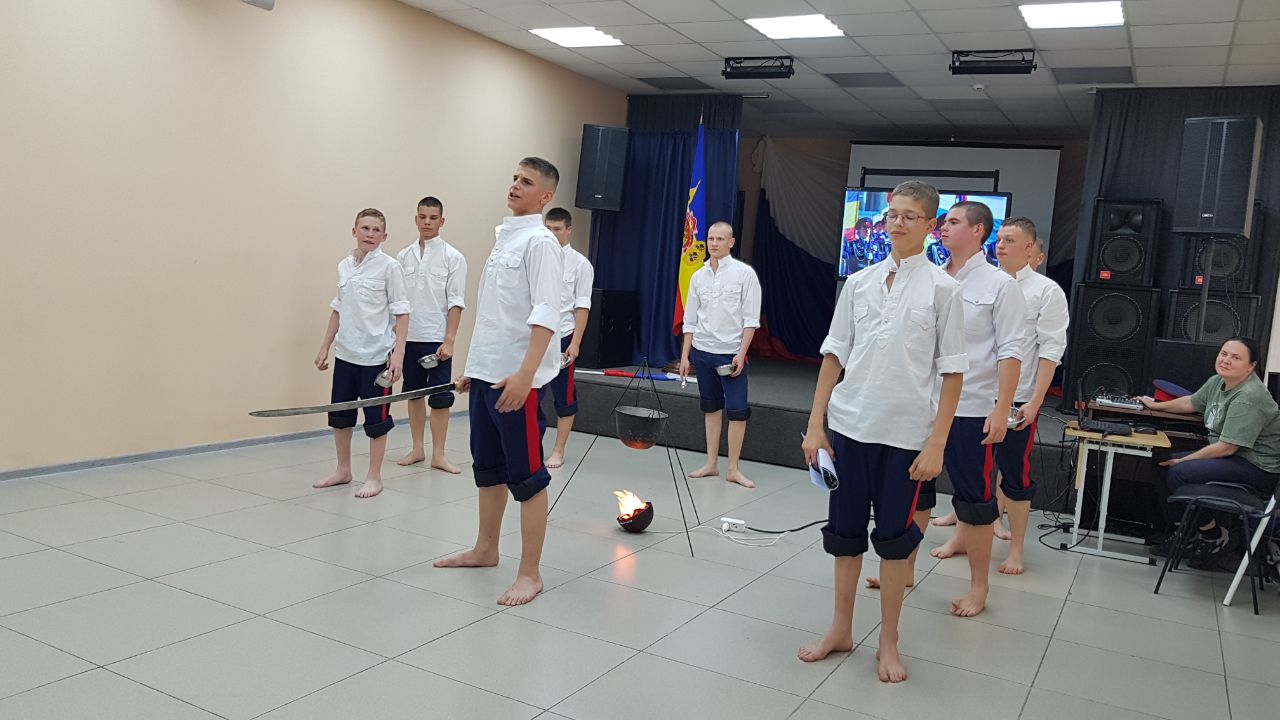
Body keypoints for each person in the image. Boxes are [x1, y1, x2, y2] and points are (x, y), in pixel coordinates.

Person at [798, 181, 967, 683]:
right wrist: (815, 425)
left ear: (930, 226)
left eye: (910, 216)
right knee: (844, 536)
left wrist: (937, 442)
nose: (897, 223)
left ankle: (889, 639)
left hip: (906, 437)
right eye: (893, 214)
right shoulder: (859, 282)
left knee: (894, 542)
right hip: (850, 427)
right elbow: (834, 355)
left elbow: (953, 372)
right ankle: (840, 629)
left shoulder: (943, 290)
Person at [433, 158, 564, 606]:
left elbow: (546, 313)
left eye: (526, 182)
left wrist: (526, 376)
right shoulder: (504, 239)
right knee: (487, 469)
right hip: (487, 377)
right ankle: (485, 549)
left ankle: (530, 573)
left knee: (527, 477)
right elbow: (494, 315)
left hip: (516, 383)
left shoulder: (541, 244)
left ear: (545, 197)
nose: (515, 186)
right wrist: (474, 366)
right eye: (514, 178)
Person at [908, 201, 1025, 618]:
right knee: (915, 490)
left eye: (954, 222)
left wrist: (1001, 408)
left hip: (972, 407)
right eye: (943, 222)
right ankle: (904, 569)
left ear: (978, 231)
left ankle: (979, 587)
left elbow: (1011, 351)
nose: (943, 228)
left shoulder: (1000, 285)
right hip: (924, 404)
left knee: (975, 500)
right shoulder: (932, 278)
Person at [1142, 337, 1280, 561]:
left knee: (1178, 473)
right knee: (1161, 464)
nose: (1226, 360)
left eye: (1236, 357)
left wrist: (1183, 461)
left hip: (1258, 468)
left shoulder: (1248, 397)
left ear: (1251, 366)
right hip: (1234, 458)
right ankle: (1186, 532)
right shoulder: (1218, 381)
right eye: (1223, 354)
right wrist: (1155, 405)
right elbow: (1191, 402)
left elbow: (1227, 448)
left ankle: (1213, 535)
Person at [313, 208, 410, 498]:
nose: (370, 234)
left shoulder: (390, 267)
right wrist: (325, 346)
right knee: (340, 416)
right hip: (346, 354)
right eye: (365, 228)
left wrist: (398, 355)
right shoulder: (344, 266)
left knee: (376, 421)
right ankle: (343, 470)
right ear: (354, 231)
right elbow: (338, 309)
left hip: (376, 358)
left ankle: (374, 477)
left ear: (384, 236)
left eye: (376, 230)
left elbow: (402, 313)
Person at [678, 221, 762, 489]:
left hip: (730, 353)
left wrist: (741, 352)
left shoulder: (744, 274)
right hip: (703, 351)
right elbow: (690, 320)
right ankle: (711, 463)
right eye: (711, 238)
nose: (714, 243)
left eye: (720, 239)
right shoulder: (698, 276)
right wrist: (685, 356)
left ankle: (733, 468)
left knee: (737, 411)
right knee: (711, 408)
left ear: (731, 242)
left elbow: (751, 320)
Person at [395, 196, 467, 474]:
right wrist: (396, 341)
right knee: (413, 395)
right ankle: (417, 448)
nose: (427, 222)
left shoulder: (453, 257)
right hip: (409, 337)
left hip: (437, 339)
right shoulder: (403, 257)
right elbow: (398, 303)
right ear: (416, 219)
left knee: (439, 399)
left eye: (433, 218)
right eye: (422, 217)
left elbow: (456, 302)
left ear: (441, 221)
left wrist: (449, 339)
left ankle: (439, 454)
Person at [544, 207, 593, 469]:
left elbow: (582, 307)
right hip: (537, 336)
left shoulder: (580, 264)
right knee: (530, 395)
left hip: (563, 336)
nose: (552, 234)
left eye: (557, 229)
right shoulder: (538, 258)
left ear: (568, 230)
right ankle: (530, 446)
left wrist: (575, 343)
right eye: (547, 229)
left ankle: (558, 450)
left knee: (564, 397)